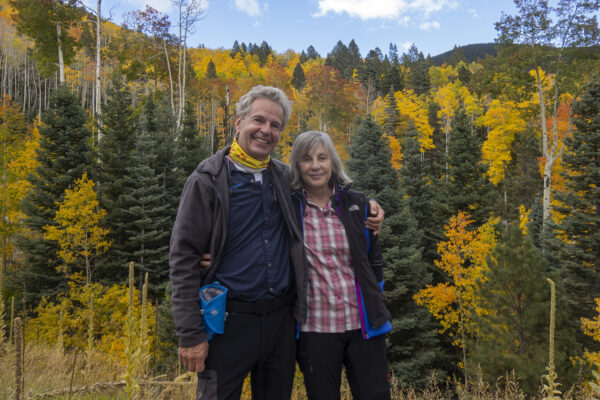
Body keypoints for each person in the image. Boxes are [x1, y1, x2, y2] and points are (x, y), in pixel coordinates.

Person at [169, 86, 383, 400]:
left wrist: (372, 208)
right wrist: (189, 335)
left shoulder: (285, 179)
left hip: (280, 323)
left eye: (275, 125)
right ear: (239, 122)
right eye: (259, 120)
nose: (266, 130)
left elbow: (332, 192)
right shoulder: (207, 181)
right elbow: (183, 259)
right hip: (229, 322)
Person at [289, 130, 392, 400]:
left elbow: (374, 260)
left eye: (322, 157)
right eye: (306, 159)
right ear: (296, 166)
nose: (315, 165)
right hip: (316, 329)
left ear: (333, 162)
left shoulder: (357, 203)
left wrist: (375, 299)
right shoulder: (289, 207)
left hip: (364, 326)